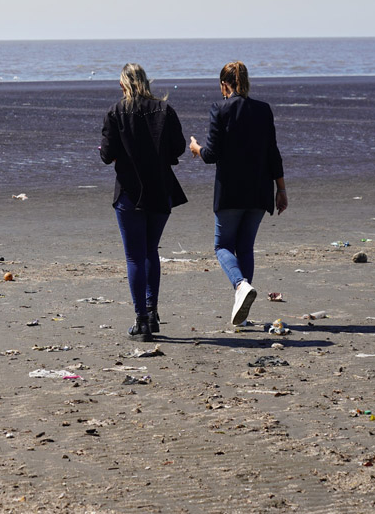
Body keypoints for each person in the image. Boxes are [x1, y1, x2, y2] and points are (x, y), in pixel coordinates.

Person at [189, 61, 287, 326]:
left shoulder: (219, 108)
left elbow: (211, 155)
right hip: (259, 191)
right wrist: (281, 189)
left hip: (231, 191)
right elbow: (273, 153)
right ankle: (242, 316)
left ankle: (240, 285)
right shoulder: (263, 110)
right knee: (245, 248)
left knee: (222, 245)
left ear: (224, 85)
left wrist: (196, 148)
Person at [100, 63, 188, 341]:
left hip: (129, 190)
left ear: (123, 85)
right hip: (160, 189)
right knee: (150, 250)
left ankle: (141, 320)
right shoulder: (165, 109)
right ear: (146, 82)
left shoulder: (116, 111)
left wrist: (108, 151)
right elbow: (178, 149)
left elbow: (107, 154)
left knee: (134, 255)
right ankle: (151, 312)